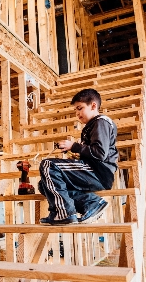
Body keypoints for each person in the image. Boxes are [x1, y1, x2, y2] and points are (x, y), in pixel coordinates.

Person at [38, 89, 118, 225]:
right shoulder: (91, 126)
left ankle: (63, 214)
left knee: (48, 165)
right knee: (44, 184)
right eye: (75, 110)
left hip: (98, 172)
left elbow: (100, 153)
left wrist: (74, 146)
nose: (77, 113)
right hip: (93, 170)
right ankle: (91, 203)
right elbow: (93, 152)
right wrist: (75, 158)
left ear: (93, 106)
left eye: (80, 108)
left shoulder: (101, 122)